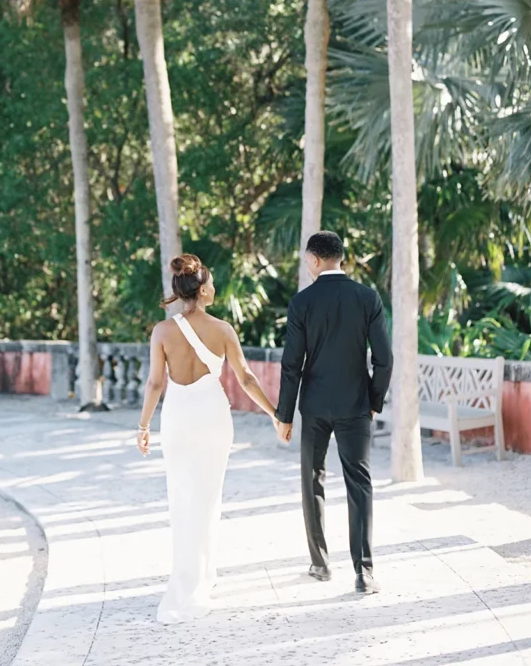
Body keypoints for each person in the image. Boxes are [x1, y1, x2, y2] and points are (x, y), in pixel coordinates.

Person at [136, 253, 278, 625]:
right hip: (213, 417)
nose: (214, 288)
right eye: (211, 283)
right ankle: (204, 576)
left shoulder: (162, 332)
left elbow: (154, 383)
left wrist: (143, 426)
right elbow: (246, 378)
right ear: (201, 289)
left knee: (182, 498)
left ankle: (189, 579)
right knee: (208, 497)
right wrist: (274, 413)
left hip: (179, 418)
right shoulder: (223, 330)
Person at [275, 231, 393, 595]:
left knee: (312, 481)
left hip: (313, 407)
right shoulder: (366, 297)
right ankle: (364, 571)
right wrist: (373, 401)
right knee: (360, 484)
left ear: (313, 260)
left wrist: (285, 415)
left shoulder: (301, 303)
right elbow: (384, 359)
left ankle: (321, 563)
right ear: (340, 257)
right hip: (356, 405)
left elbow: (292, 365)